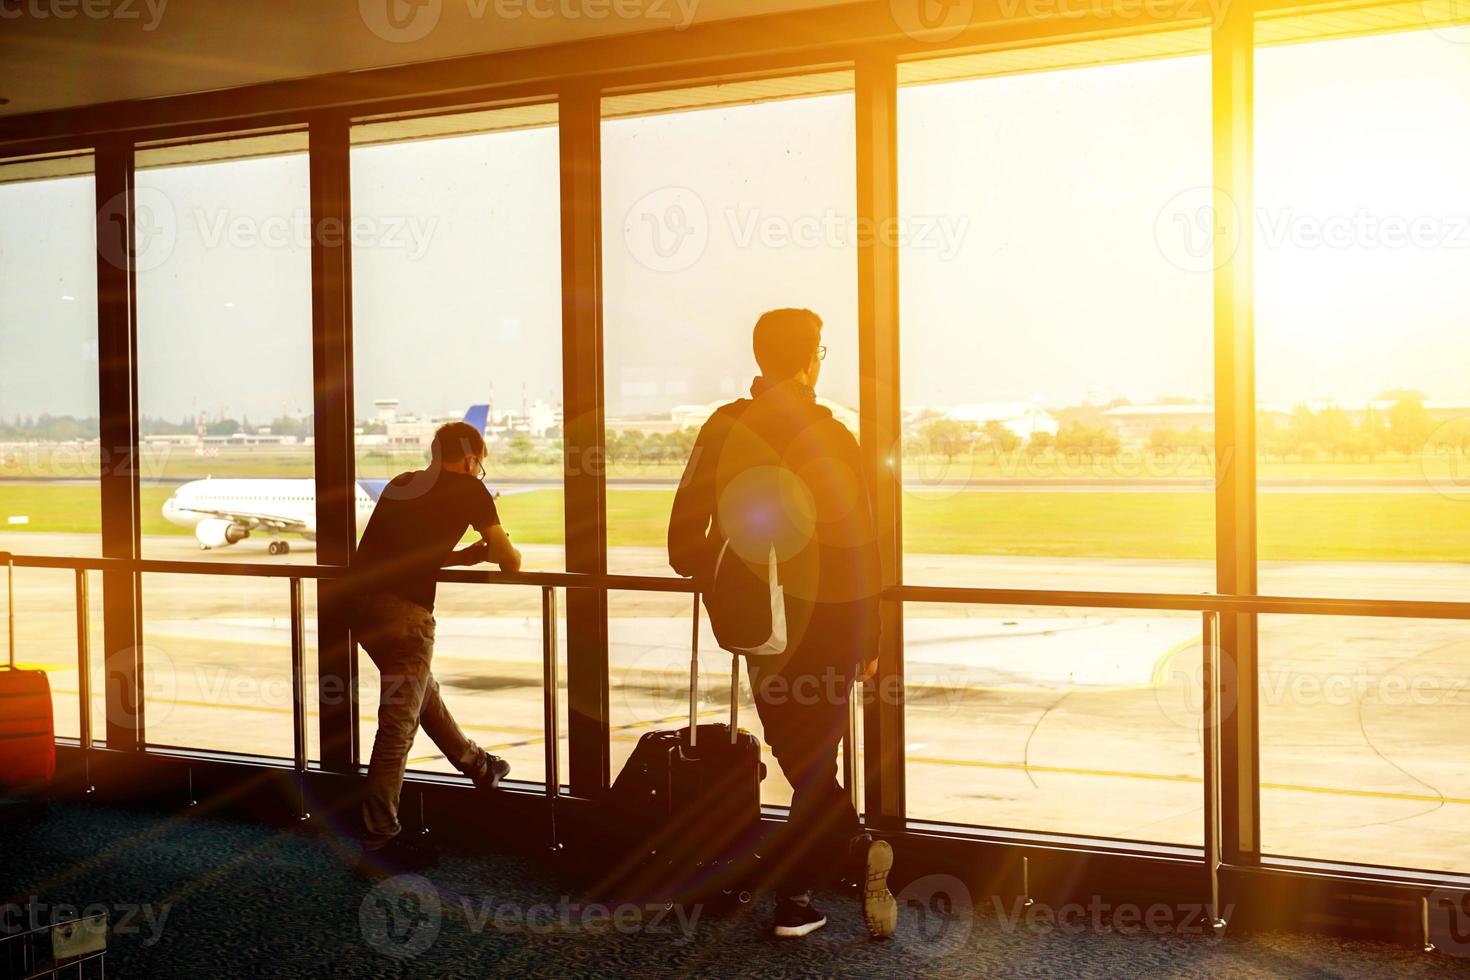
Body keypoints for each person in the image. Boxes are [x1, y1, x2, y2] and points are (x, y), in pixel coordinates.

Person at [667, 308, 897, 939]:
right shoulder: (833, 436)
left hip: (762, 624)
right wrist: (868, 636)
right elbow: (861, 551)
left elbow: (681, 540)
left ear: (759, 355)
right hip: (829, 624)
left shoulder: (723, 427)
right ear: (810, 358)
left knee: (804, 758)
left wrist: (733, 577)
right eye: (822, 351)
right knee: (815, 756)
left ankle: (813, 881)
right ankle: (825, 873)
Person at [349, 420, 522, 877]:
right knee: (397, 728)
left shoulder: (402, 485)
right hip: (404, 615)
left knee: (422, 695)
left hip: (360, 609)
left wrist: (463, 556)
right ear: (471, 458)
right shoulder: (470, 490)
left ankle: (480, 766)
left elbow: (394, 550)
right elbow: (511, 561)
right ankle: (379, 839)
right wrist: (491, 548)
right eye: (479, 463)